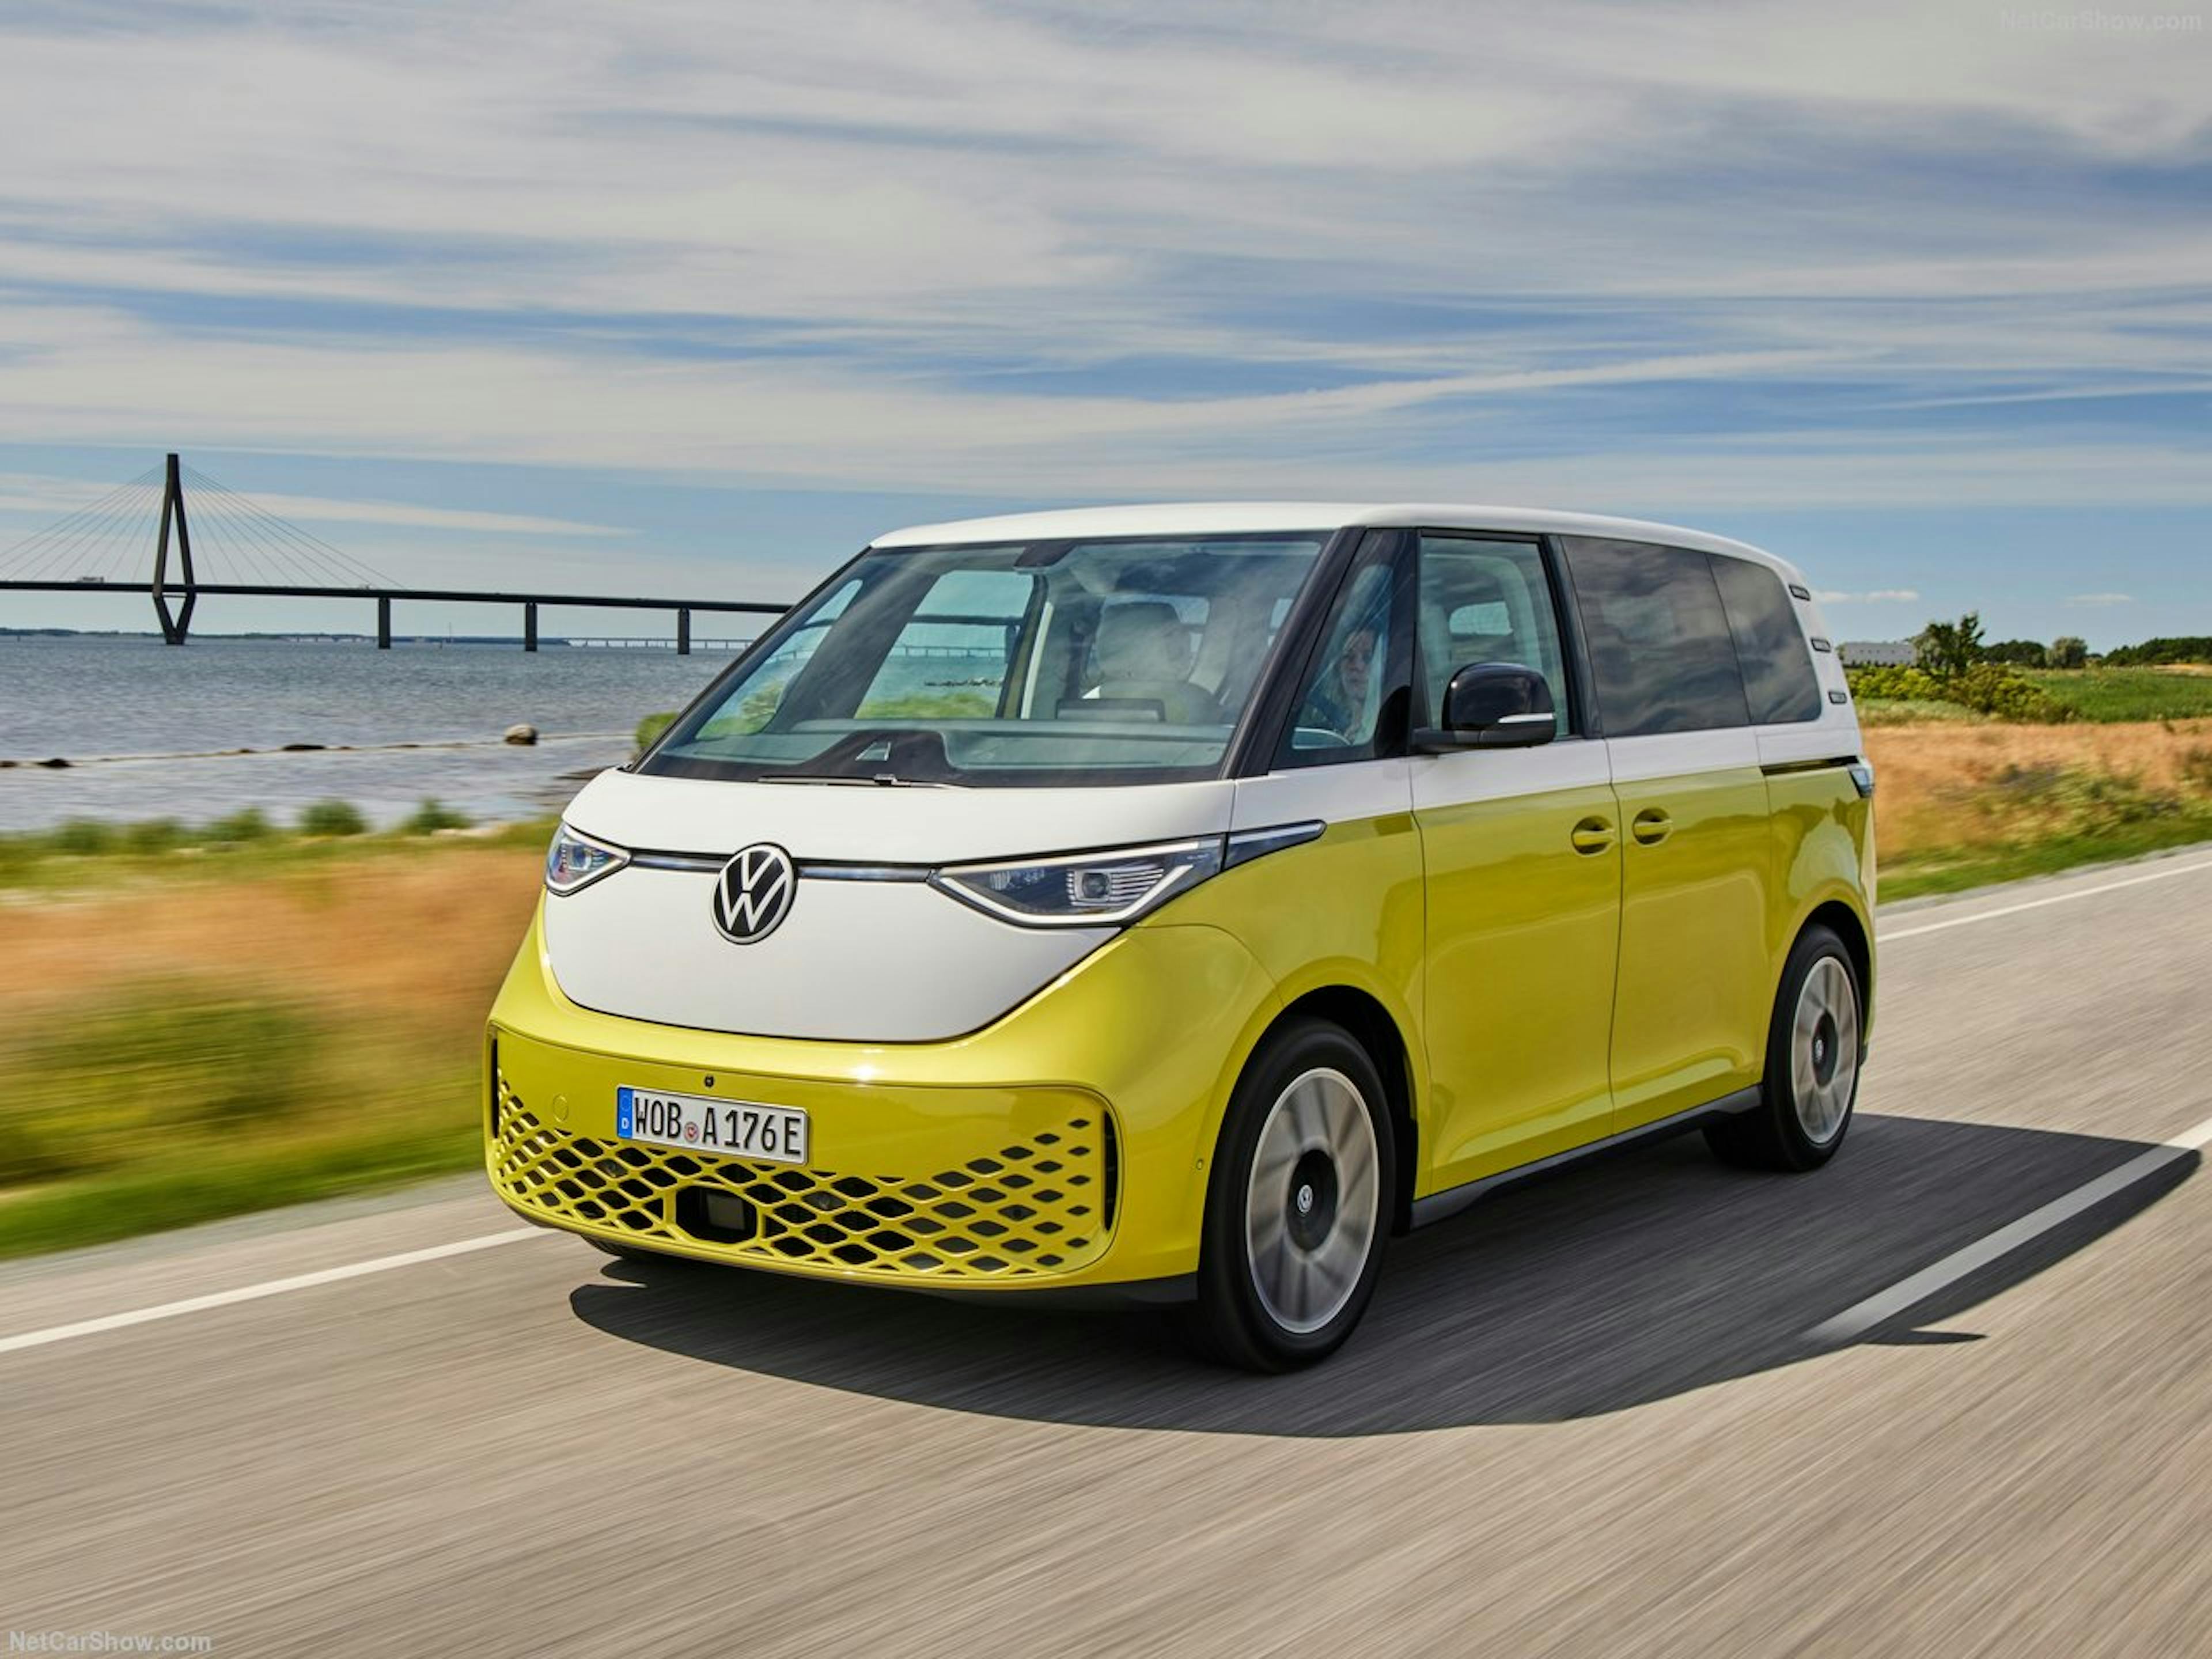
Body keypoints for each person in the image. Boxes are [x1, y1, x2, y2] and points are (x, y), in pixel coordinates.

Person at [1301, 622, 1376, 738]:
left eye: (1367, 657)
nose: (1358, 666)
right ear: (1339, 667)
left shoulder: (1393, 729)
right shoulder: (1324, 728)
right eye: (1349, 657)